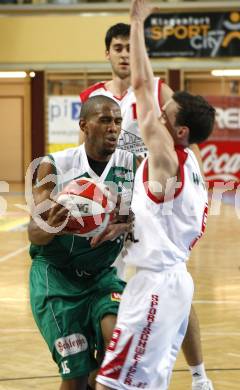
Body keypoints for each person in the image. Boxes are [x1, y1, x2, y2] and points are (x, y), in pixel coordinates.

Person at [79, 22, 214, 390]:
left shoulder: (166, 158)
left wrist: (138, 22)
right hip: (166, 270)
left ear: (181, 130)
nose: (155, 115)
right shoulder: (184, 167)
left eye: (164, 112)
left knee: (113, 384)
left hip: (153, 285)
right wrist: (131, 219)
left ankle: (200, 375)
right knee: (145, 382)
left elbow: (142, 85)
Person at [28, 95, 137, 390]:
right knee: (74, 375)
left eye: (117, 121)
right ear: (84, 125)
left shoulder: (133, 164)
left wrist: (129, 220)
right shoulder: (54, 166)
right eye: (104, 120)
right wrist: (52, 225)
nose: (113, 128)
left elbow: (151, 215)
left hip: (102, 276)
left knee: (114, 348)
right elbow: (34, 234)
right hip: (57, 277)